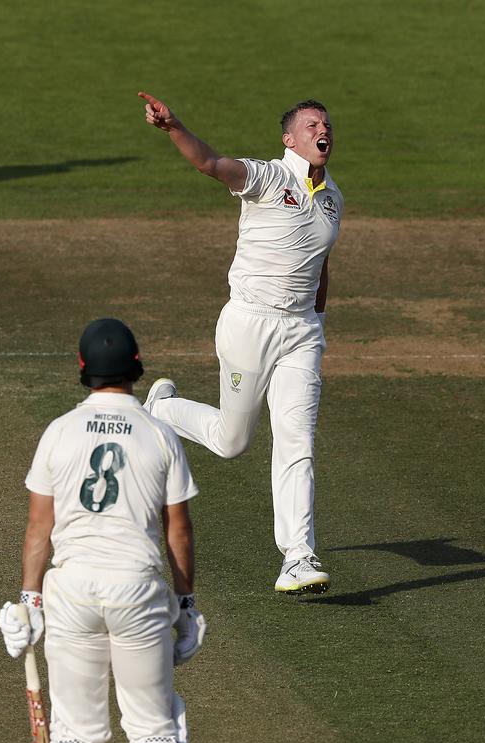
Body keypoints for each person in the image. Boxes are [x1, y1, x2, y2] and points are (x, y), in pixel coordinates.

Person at [0, 318, 206, 743]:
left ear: (83, 370)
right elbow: (177, 529)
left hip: (71, 592)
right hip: (137, 590)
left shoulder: (59, 431)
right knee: (155, 726)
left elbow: (38, 528)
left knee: (79, 732)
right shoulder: (159, 433)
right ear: (137, 368)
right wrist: (185, 605)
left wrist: (30, 599)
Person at [138, 92, 344, 594]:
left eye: (328, 125)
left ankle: (297, 555)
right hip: (249, 326)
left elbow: (319, 261)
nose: (324, 131)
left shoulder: (334, 197)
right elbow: (211, 163)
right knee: (232, 442)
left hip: (301, 335)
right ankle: (163, 410)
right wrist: (174, 127)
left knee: (297, 440)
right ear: (290, 138)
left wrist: (316, 317)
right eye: (313, 124)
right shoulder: (270, 177)